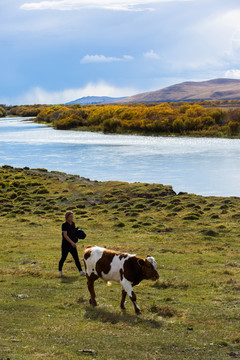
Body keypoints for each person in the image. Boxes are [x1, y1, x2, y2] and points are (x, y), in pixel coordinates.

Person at [58, 211, 85, 276]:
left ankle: (81, 271)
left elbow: (73, 233)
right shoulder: (64, 225)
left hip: (72, 244)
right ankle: (60, 271)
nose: (72, 217)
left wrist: (77, 238)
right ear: (67, 217)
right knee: (63, 258)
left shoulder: (73, 224)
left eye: (72, 216)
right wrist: (72, 242)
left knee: (76, 258)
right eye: (70, 216)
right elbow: (65, 235)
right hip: (65, 245)